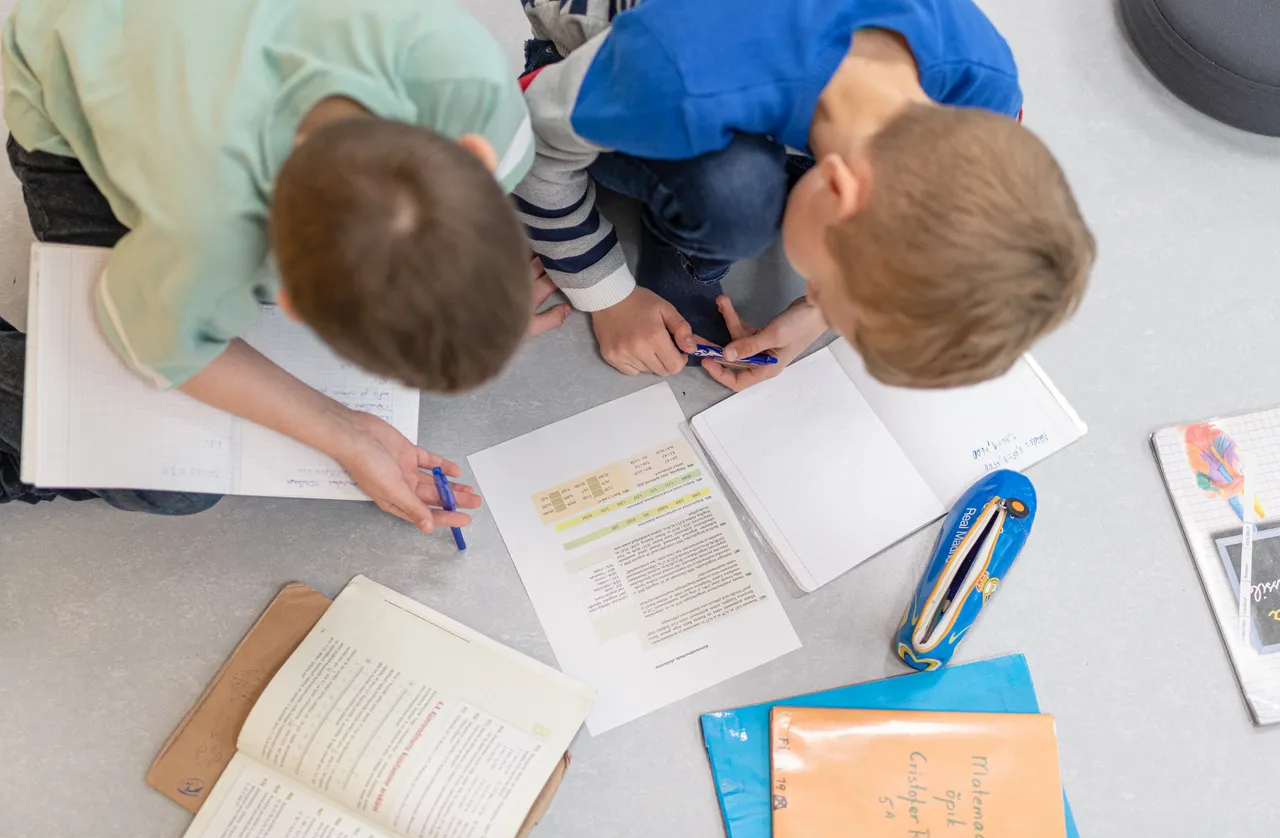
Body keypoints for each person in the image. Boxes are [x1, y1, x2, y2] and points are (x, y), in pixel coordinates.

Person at [0, 0, 571, 526]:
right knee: (162, 481)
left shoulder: (472, 85)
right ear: (287, 301)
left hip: (187, 48)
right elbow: (151, 341)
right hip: (67, 71)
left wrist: (468, 312)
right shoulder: (205, 228)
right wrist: (342, 431)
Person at [516, 0, 1095, 391]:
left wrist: (818, 315)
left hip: (743, 74)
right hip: (597, 60)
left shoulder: (985, 90)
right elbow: (531, 139)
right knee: (737, 197)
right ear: (841, 189)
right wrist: (606, 295)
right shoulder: (681, 75)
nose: (807, 291)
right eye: (817, 284)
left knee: (745, 186)